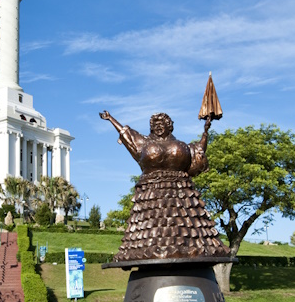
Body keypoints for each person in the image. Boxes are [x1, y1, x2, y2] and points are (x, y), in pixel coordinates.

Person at [99, 110, 232, 263]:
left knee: (187, 232)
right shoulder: (144, 142)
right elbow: (127, 135)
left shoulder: (181, 145)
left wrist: (205, 132)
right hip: (151, 196)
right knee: (150, 235)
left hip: (181, 194)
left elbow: (197, 154)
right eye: (155, 125)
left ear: (169, 126)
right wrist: (110, 119)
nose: (158, 127)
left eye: (161, 124)